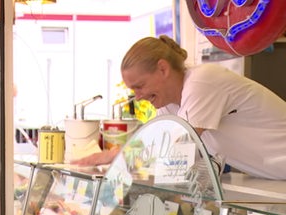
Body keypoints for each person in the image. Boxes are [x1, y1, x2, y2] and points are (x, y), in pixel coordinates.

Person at [77, 35, 286, 180]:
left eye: (139, 86)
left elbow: (179, 151)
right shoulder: (167, 106)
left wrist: (115, 157)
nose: (138, 97)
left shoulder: (202, 81)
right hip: (273, 177)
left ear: (162, 68)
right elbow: (156, 149)